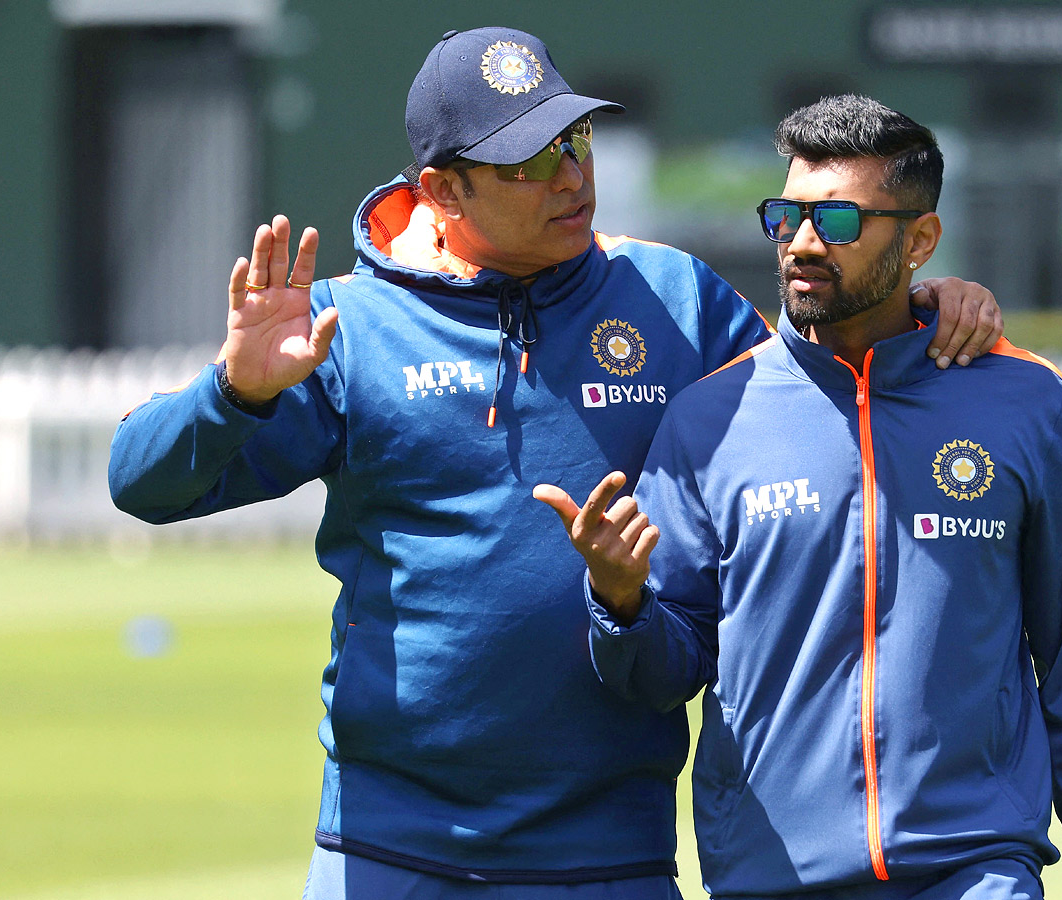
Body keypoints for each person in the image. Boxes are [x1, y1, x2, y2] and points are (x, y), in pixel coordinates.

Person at [108, 26, 1003, 900]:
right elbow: (139, 485)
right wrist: (236, 389)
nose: (573, 177)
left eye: (576, 140)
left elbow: (826, 392)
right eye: (530, 161)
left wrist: (921, 310)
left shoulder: (677, 301)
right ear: (441, 189)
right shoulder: (345, 331)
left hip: (613, 846)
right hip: (389, 843)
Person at [536, 95, 1062, 900]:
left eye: (842, 222)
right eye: (787, 216)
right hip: (771, 873)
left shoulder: (1027, 402)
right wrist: (620, 602)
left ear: (921, 239)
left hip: (978, 867)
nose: (805, 244)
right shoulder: (709, 417)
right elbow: (663, 674)